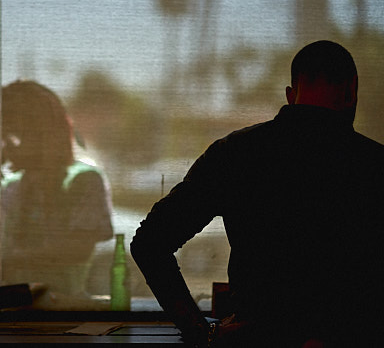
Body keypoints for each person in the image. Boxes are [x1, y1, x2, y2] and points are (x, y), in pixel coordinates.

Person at [130, 41, 384, 347]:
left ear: (291, 95)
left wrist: (201, 330)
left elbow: (149, 244)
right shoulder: (373, 165)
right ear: (351, 91)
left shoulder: (235, 154)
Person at [0, 80, 114, 299]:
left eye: (13, 137)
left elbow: (78, 249)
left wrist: (10, 261)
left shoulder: (84, 181)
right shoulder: (10, 187)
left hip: (64, 314)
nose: (6, 147)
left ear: (43, 134)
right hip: (12, 312)